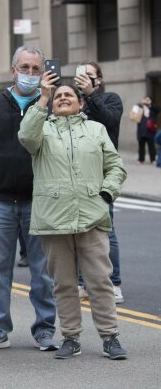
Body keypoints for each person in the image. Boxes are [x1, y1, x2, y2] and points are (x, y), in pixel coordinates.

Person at [18, 80, 128, 360]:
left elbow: (115, 166)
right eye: (58, 96)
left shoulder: (96, 129)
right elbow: (25, 137)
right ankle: (70, 337)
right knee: (64, 283)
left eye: (69, 95)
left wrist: (106, 193)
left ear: (80, 103)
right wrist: (42, 98)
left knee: (100, 281)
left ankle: (110, 337)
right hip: (54, 220)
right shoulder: (41, 128)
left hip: (92, 216)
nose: (63, 98)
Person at [0, 45, 58, 352]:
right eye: (25, 68)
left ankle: (44, 329)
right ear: (13, 69)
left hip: (39, 201)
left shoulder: (52, 104)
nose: (31, 74)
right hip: (0, 201)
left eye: (36, 69)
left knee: (41, 272)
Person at [74, 62, 125, 304]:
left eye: (89, 76)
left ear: (99, 79)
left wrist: (91, 96)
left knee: (107, 229)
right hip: (77, 175)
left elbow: (109, 122)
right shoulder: (74, 101)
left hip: (103, 174)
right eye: (80, 77)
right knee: (80, 230)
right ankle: (83, 283)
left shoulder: (110, 99)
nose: (83, 81)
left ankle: (114, 283)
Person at [134, 96, 158, 165]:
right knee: (141, 146)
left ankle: (153, 159)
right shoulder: (140, 107)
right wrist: (140, 103)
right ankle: (141, 159)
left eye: (148, 100)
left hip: (150, 130)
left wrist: (150, 104)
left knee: (151, 146)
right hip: (141, 130)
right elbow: (134, 112)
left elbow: (158, 109)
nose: (146, 101)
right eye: (145, 99)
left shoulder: (152, 108)